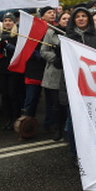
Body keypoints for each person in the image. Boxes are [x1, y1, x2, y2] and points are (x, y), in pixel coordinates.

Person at [58, 6, 96, 161]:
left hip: (93, 85)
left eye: (84, 16)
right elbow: (59, 63)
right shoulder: (66, 38)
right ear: (73, 19)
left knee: (94, 122)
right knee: (74, 123)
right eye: (77, 16)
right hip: (72, 86)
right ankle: (76, 154)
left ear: (88, 19)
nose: (81, 18)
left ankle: (94, 153)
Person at [40, 11, 69, 141]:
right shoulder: (50, 33)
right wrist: (56, 58)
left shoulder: (74, 34)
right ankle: (58, 128)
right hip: (54, 71)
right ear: (59, 20)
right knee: (55, 105)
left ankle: (67, 129)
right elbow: (43, 51)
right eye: (64, 18)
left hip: (69, 72)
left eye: (69, 18)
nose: (66, 21)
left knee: (66, 105)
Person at [0, 13, 23, 130]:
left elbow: (19, 51)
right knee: (4, 96)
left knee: (13, 94)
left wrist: (7, 46)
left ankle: (16, 118)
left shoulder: (17, 35)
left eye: (10, 20)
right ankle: (8, 119)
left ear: (14, 22)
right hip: (1, 68)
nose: (8, 23)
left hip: (13, 69)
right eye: (5, 21)